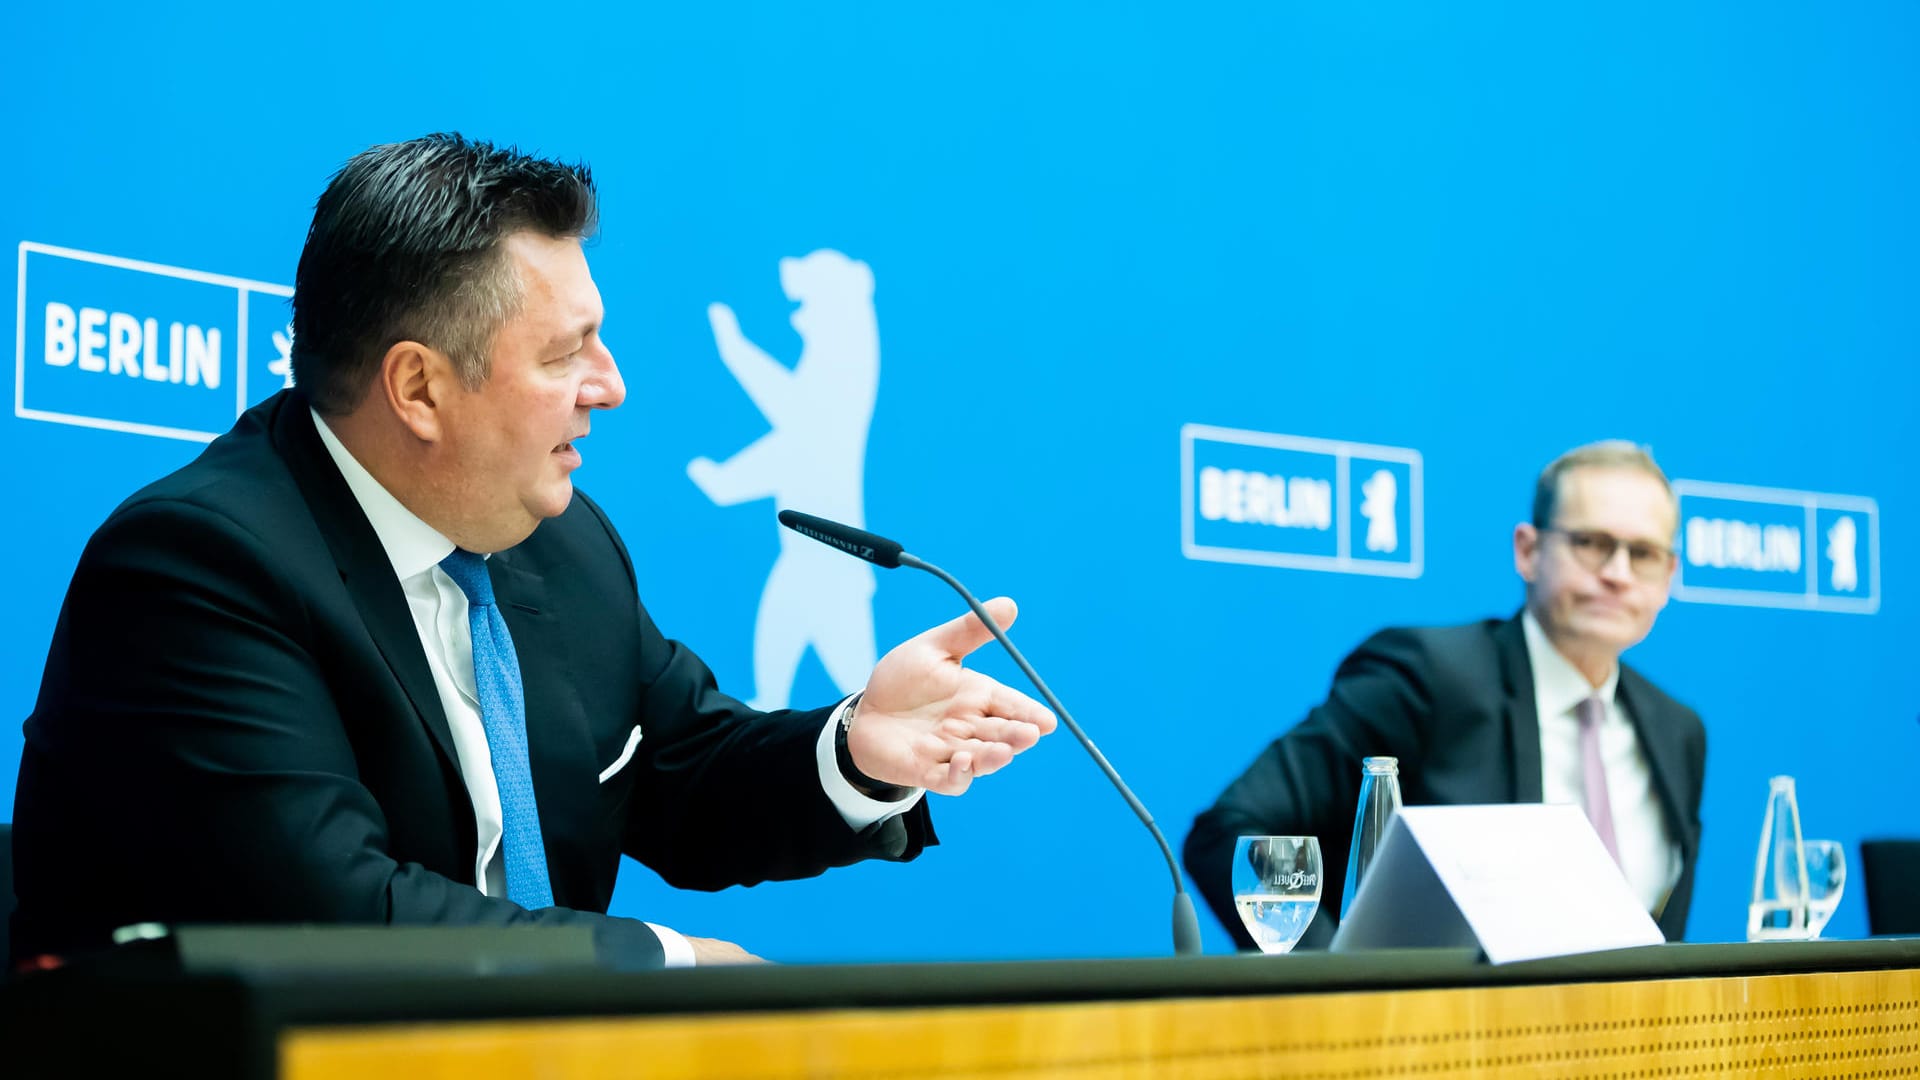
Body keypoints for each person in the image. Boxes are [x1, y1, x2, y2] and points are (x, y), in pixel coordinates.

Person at [10, 134, 1056, 969]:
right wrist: (666, 966)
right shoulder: (199, 569)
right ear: (418, 388)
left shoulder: (562, 543)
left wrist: (859, 750)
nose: (612, 385)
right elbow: (335, 917)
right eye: (566, 354)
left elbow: (683, 770)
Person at [1184, 441, 1706, 949]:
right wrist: (1339, 980)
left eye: (1643, 553)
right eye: (1591, 543)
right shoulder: (1427, 680)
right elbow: (1230, 833)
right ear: (1528, 551)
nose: (1617, 573)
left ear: (1669, 576)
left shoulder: (1677, 732)